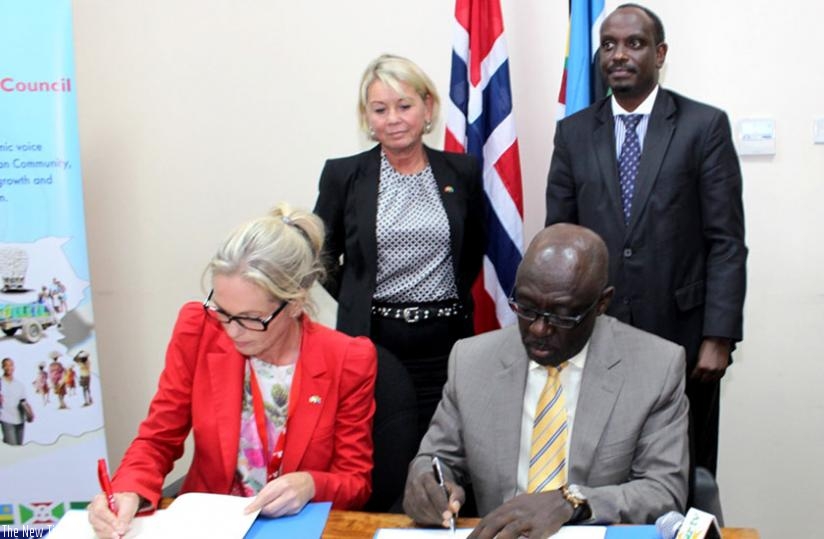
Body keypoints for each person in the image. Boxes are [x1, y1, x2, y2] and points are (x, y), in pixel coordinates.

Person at [88, 205, 377, 539]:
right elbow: (158, 439)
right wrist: (128, 491)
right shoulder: (198, 329)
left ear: (295, 303)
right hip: (209, 526)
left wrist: (311, 484)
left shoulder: (347, 358)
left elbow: (356, 481)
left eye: (251, 318)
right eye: (223, 311)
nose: (232, 330)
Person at [545, 3, 746, 476]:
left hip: (684, 335)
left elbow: (726, 242)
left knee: (687, 469)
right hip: (596, 335)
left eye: (633, 43)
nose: (619, 54)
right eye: (609, 45)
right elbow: (559, 238)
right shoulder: (573, 134)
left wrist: (718, 336)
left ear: (659, 53)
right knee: (603, 467)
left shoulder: (703, 126)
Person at [403, 224, 688, 538]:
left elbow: (663, 491)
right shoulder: (472, 361)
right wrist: (426, 479)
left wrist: (572, 502)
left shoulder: (655, 367)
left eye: (562, 315)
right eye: (526, 308)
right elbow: (437, 459)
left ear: (602, 304)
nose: (538, 329)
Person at [313, 54, 485, 440]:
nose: (393, 118)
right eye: (380, 109)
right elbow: (320, 254)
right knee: (382, 448)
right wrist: (356, 296)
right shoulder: (344, 175)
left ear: (429, 107)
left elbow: (473, 247)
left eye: (404, 105)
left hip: (446, 339)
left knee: (444, 444)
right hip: (375, 339)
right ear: (367, 119)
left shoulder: (463, 171)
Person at [1, 357, 31, 445]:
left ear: (14, 367)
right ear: (2, 367)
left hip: (20, 419)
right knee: (12, 445)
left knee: (18, 447)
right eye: (6, 365)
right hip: (6, 419)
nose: (8, 367)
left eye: (11, 365)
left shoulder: (19, 385)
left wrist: (30, 413)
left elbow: (24, 401)